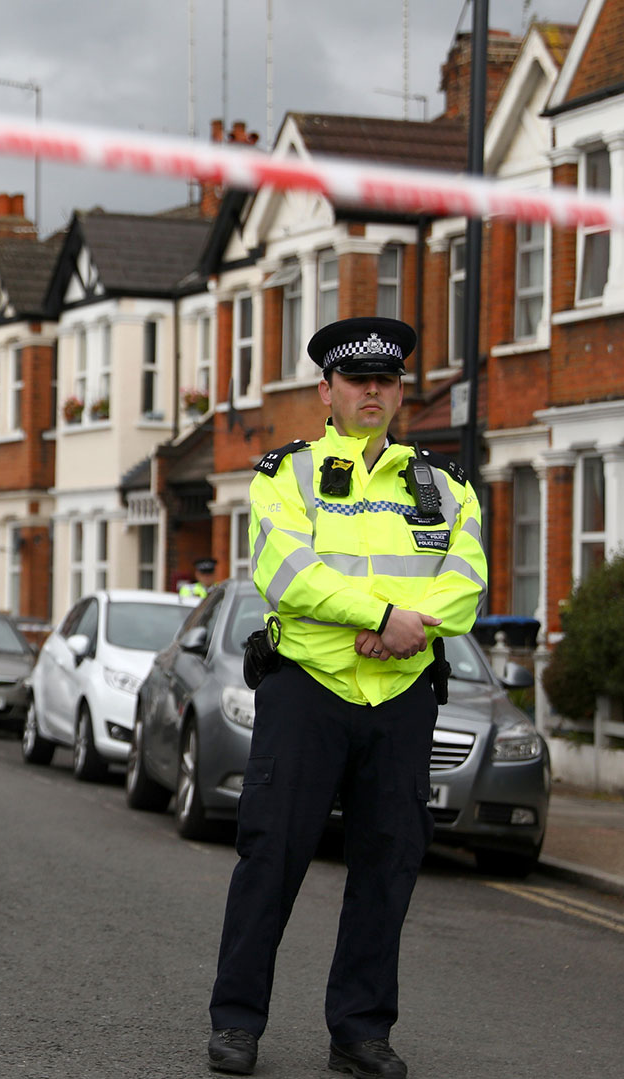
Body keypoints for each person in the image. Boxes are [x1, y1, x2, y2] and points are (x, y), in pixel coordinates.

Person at [202, 317, 485, 1079]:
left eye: (385, 381)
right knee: (271, 855)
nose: (372, 391)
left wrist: (405, 631)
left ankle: (360, 1031)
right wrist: (382, 616)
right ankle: (236, 1022)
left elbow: (466, 586)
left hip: (400, 697)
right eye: (357, 380)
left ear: (399, 393)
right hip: (309, 691)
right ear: (326, 390)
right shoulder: (284, 476)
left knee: (388, 863)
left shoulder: (446, 484)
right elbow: (287, 574)